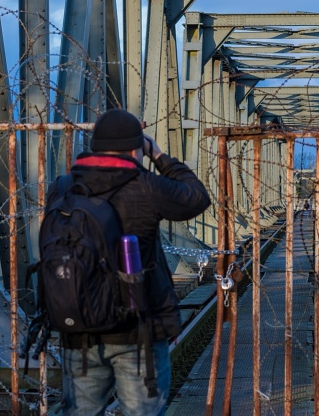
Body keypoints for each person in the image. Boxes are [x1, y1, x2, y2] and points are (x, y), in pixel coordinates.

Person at [47, 109, 211, 415]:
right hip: (139, 330)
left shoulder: (63, 187)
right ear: (137, 148)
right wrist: (159, 155)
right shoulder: (146, 185)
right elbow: (197, 197)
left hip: (78, 328)